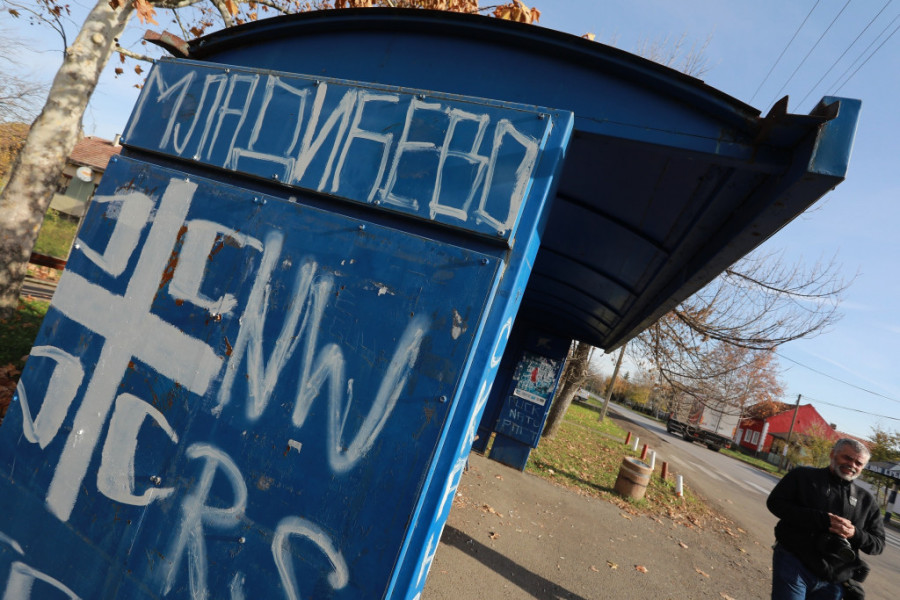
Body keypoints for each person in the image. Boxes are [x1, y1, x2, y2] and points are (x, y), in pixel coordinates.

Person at [767, 438, 885, 600]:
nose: (852, 465)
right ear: (832, 454)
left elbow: (878, 544)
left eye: (858, 463)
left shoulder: (866, 501)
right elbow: (775, 503)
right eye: (847, 458)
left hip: (834, 579)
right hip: (794, 562)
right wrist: (822, 519)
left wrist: (854, 533)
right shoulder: (803, 476)